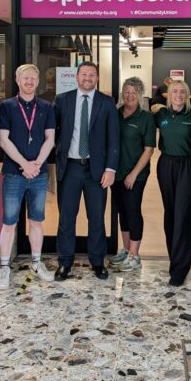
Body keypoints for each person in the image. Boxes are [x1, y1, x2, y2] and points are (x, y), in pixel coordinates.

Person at [53, 61, 119, 281]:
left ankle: (97, 261)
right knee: (66, 218)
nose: (88, 78)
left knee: (97, 218)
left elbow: (113, 138)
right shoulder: (63, 100)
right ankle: (65, 262)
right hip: (70, 167)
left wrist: (110, 168)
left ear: (97, 78)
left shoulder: (106, 102)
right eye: (84, 74)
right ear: (76, 76)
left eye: (92, 75)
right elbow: (53, 133)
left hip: (96, 170)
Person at [0, 64, 57, 290]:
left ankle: (37, 263)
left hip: (38, 175)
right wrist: (24, 165)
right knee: (9, 222)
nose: (30, 82)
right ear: (17, 79)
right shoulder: (7, 107)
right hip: (14, 173)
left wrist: (37, 165)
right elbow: (4, 139)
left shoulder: (46, 107)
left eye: (33, 78)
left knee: (37, 221)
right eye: (25, 78)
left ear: (38, 81)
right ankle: (4, 267)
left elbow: (50, 139)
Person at [154, 79, 191, 286]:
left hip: (188, 166)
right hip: (166, 164)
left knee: (184, 215)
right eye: (175, 91)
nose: (179, 95)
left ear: (188, 95)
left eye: (183, 91)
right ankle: (174, 260)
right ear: (168, 94)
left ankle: (181, 268)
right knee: (170, 214)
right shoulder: (161, 114)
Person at [110, 77, 156, 272]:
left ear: (140, 95)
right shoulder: (115, 114)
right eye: (126, 91)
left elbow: (148, 149)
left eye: (134, 92)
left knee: (133, 211)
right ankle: (126, 249)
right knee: (122, 211)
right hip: (116, 173)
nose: (129, 95)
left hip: (136, 175)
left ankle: (135, 255)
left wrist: (133, 174)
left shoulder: (146, 118)